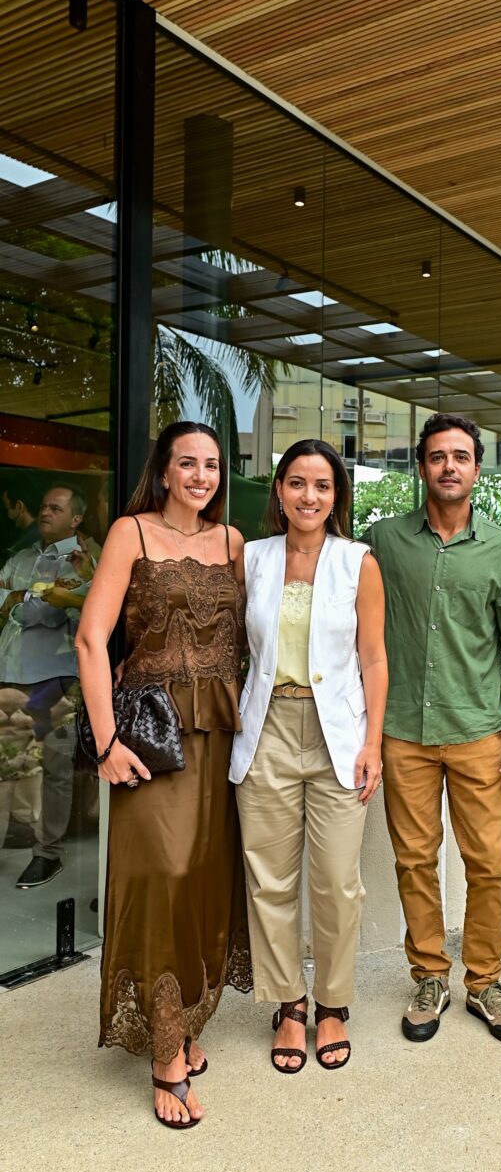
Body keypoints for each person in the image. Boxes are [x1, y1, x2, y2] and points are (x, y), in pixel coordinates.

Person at [75, 422, 251, 1129]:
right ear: (166, 470)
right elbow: (92, 637)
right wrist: (106, 740)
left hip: (218, 734)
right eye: (188, 463)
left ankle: (181, 1022)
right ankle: (164, 1057)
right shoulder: (131, 533)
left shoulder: (233, 544)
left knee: (205, 881)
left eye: (211, 465)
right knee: (160, 879)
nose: (201, 476)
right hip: (149, 734)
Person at [364, 412, 501, 1045]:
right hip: (403, 731)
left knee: (488, 863)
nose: (448, 466)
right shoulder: (383, 543)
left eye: (460, 456)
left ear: (475, 468)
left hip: (477, 731)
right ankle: (429, 974)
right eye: (437, 456)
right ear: (422, 467)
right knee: (414, 861)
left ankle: (485, 978)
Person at [230, 440, 387, 1074]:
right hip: (265, 726)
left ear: (336, 495)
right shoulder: (253, 558)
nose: (309, 497)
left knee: (337, 883)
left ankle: (332, 1005)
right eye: (297, 483)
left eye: (322, 486)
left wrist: (373, 740)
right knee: (269, 878)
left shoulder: (358, 562)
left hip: (338, 736)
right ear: (279, 490)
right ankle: (289, 1004)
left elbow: (374, 658)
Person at [0, 484, 94, 886]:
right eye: (43, 506)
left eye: (55, 508)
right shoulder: (21, 557)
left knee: (55, 769)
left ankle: (48, 853)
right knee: (7, 768)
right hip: (9, 674)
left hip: (55, 678)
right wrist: (25, 598)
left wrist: (12, 599)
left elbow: (48, 614)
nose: (45, 512)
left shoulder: (79, 562)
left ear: (75, 519)